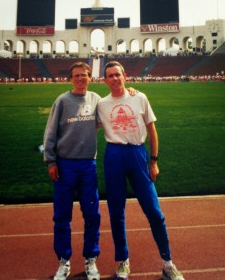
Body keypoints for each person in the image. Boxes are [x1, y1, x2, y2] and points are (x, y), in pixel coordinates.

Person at [97, 61, 185, 280]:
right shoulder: (101, 104)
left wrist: (153, 160)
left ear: (125, 76)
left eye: (118, 74)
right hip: (114, 155)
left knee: (154, 212)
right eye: (110, 75)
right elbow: (85, 128)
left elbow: (152, 130)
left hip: (138, 154)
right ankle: (123, 262)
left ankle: (167, 263)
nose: (115, 78)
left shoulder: (140, 97)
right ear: (105, 80)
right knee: (116, 212)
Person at [44, 62, 101, 280]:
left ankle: (90, 259)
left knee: (92, 215)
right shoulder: (62, 101)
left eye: (84, 75)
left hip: (88, 165)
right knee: (62, 216)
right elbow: (50, 131)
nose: (80, 79)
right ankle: (64, 261)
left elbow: (114, 106)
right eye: (76, 75)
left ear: (89, 77)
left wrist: (131, 91)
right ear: (71, 79)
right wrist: (50, 161)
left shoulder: (96, 99)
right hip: (65, 165)